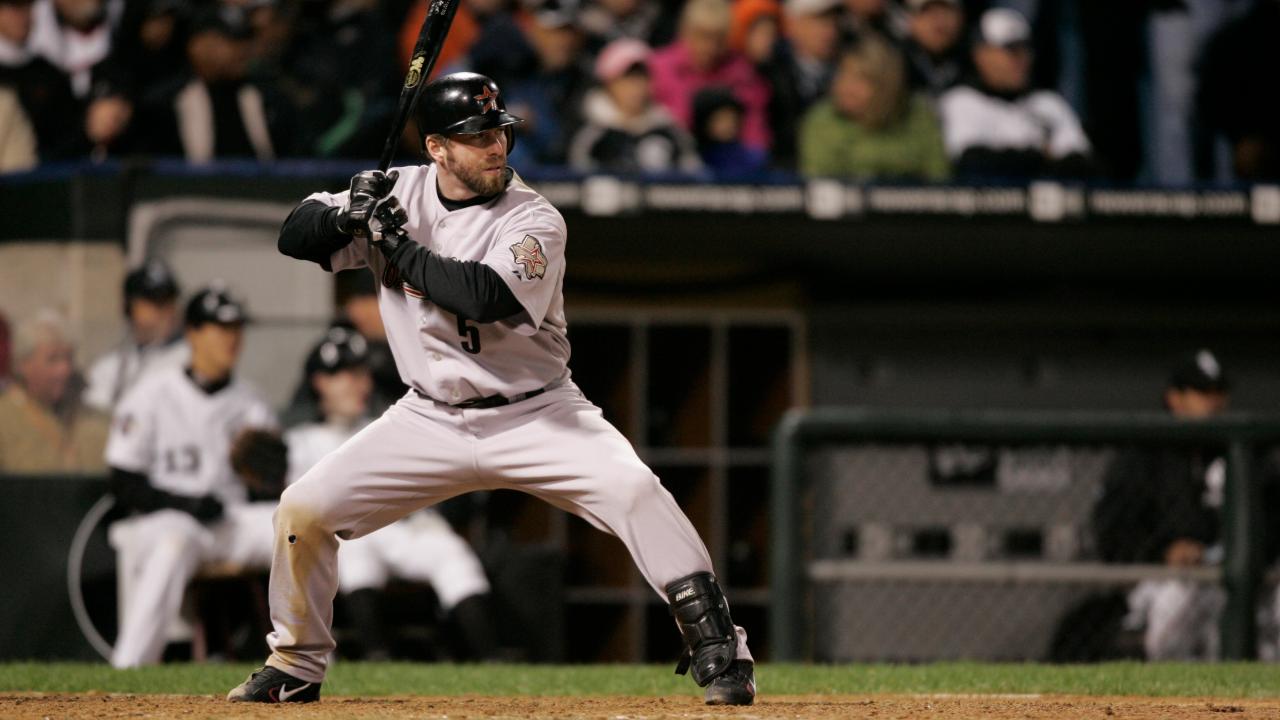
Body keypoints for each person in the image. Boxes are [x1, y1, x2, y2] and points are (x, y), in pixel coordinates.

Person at [227, 71, 756, 705]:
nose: (495, 146)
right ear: (437, 148)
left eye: (499, 132)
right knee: (302, 510)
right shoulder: (399, 191)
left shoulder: (534, 217)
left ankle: (725, 652)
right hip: (428, 418)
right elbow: (293, 235)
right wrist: (347, 213)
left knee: (638, 491)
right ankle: (296, 661)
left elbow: (485, 297)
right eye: (475, 136)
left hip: (538, 413)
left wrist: (389, 238)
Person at [285, 327, 497, 660]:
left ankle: (491, 659)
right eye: (348, 375)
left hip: (403, 527)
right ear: (321, 382)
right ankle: (377, 656)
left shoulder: (387, 425)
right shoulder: (300, 441)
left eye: (363, 375)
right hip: (351, 537)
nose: (362, 385)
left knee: (450, 551)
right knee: (354, 554)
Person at [105, 286, 279, 668]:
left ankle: (313, 660)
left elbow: (273, 481)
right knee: (173, 542)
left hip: (227, 520)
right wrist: (184, 503)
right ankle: (130, 666)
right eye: (220, 327)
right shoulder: (151, 393)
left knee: (297, 530)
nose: (232, 337)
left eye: (236, 327)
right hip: (169, 518)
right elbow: (122, 480)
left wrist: (271, 479)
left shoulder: (251, 401)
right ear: (193, 333)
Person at [1092, 349, 1230, 660]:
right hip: (1163, 578)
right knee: (1175, 606)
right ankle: (1177, 707)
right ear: (1175, 399)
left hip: (1233, 577)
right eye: (1203, 393)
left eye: (1220, 393)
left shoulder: (1241, 455)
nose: (1215, 402)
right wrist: (1164, 551)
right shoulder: (1144, 455)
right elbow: (1113, 532)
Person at [937, 8, 1092, 180]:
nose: (1021, 58)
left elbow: (1085, 165)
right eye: (1010, 49)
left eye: (1026, 48)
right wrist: (1042, 157)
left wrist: (1021, 160)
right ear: (981, 54)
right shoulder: (960, 101)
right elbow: (973, 164)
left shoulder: (1049, 102)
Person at [798, 36, 948, 181]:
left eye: (861, 79)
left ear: (886, 87)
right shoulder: (822, 120)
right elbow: (820, 188)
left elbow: (940, 178)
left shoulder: (918, 115)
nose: (845, 87)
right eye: (843, 74)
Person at [649, 0, 771, 153]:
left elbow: (755, 134)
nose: (710, 46)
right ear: (685, 31)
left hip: (725, 163)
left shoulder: (741, 71)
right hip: (672, 159)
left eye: (718, 38)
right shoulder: (659, 68)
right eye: (702, 36)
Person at [567, 37, 702, 175]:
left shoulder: (670, 131)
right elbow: (576, 182)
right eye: (627, 79)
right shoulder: (590, 134)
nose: (636, 87)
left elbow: (694, 180)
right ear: (608, 84)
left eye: (642, 78)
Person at [0, 308, 109, 473]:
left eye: (68, 358)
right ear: (23, 364)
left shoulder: (96, 420)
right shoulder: (5, 418)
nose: (64, 369)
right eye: (53, 359)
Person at [83, 259, 187, 413]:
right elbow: (95, 416)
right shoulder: (111, 365)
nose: (165, 312)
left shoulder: (191, 360)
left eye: (169, 302)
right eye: (154, 303)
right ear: (129, 308)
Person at [760, 0, 842, 170]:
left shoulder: (850, 70)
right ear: (792, 25)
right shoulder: (767, 75)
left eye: (834, 21)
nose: (830, 32)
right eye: (819, 21)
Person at [900, 0, 966, 96]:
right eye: (927, 12)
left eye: (946, 12)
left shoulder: (971, 60)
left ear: (960, 17)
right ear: (910, 19)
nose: (939, 23)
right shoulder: (897, 62)